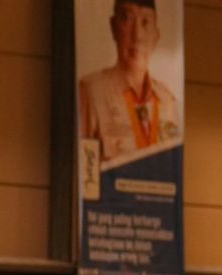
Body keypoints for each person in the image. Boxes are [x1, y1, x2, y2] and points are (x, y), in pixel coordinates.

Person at [78, 0, 182, 163]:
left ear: (156, 35)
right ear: (113, 27)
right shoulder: (91, 92)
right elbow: (82, 170)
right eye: (127, 19)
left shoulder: (168, 101)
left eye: (145, 22)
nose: (137, 35)